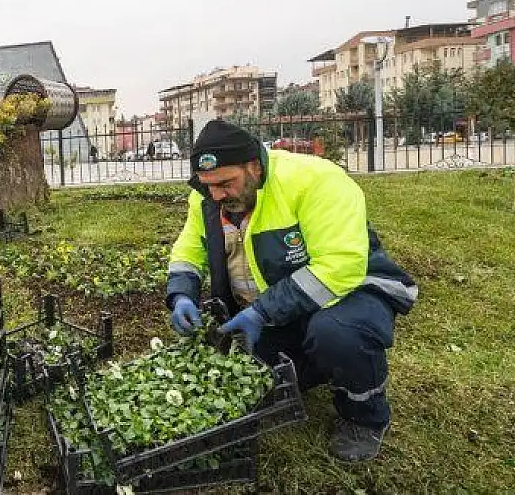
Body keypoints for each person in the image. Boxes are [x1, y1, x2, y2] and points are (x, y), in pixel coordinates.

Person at [164, 119, 417, 462]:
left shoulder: (316, 180)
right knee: (243, 371)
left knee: (336, 336)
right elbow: (188, 251)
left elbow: (340, 266)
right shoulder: (209, 197)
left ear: (254, 165)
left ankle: (364, 416)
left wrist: (262, 311)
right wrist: (181, 294)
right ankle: (315, 364)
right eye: (208, 185)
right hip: (281, 307)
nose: (217, 195)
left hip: (354, 290)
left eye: (226, 183)